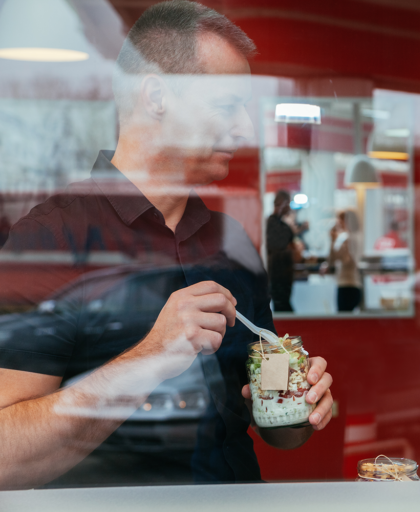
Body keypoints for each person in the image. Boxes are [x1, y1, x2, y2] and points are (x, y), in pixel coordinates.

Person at [0, 0, 333, 489]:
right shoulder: (48, 240)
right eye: (226, 106)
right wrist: (149, 359)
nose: (245, 129)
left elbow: (273, 430)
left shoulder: (232, 242)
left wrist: (300, 408)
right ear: (156, 97)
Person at [266, 190, 296, 312]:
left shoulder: (281, 224)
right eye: (288, 203)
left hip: (284, 274)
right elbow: (280, 245)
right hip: (278, 273)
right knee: (283, 307)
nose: (289, 207)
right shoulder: (272, 224)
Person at [328, 210, 362, 312]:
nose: (338, 223)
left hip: (349, 285)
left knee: (344, 318)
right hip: (345, 284)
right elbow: (332, 260)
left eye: (341, 220)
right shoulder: (343, 238)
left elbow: (346, 260)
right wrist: (332, 240)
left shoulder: (352, 239)